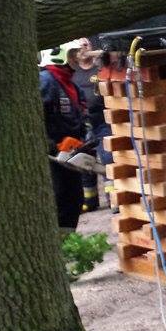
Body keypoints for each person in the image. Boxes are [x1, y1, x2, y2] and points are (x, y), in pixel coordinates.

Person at [39, 43, 87, 232]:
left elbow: (82, 119)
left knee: (74, 199)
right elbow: (35, 119)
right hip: (52, 157)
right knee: (59, 199)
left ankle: (67, 242)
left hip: (71, 156)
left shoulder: (73, 86)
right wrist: (53, 145)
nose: (76, 58)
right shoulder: (45, 81)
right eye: (73, 54)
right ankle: (58, 246)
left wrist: (83, 142)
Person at [68, 37, 104, 212]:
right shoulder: (72, 74)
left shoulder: (101, 69)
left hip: (103, 120)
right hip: (83, 124)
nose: (84, 48)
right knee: (84, 162)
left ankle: (116, 199)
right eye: (80, 46)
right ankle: (90, 201)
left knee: (108, 158)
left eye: (86, 44)